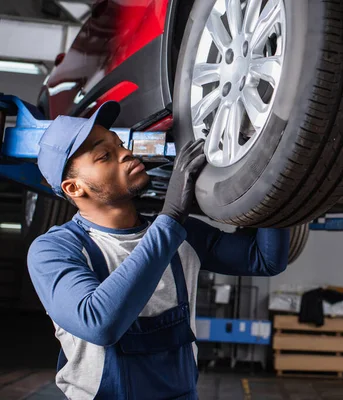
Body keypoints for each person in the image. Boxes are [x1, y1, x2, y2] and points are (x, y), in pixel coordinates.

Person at [27, 101, 290, 399]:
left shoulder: (181, 233)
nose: (126, 153)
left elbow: (264, 260)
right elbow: (99, 323)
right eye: (104, 155)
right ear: (74, 188)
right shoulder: (55, 250)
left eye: (119, 144)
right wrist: (171, 216)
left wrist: (275, 178)